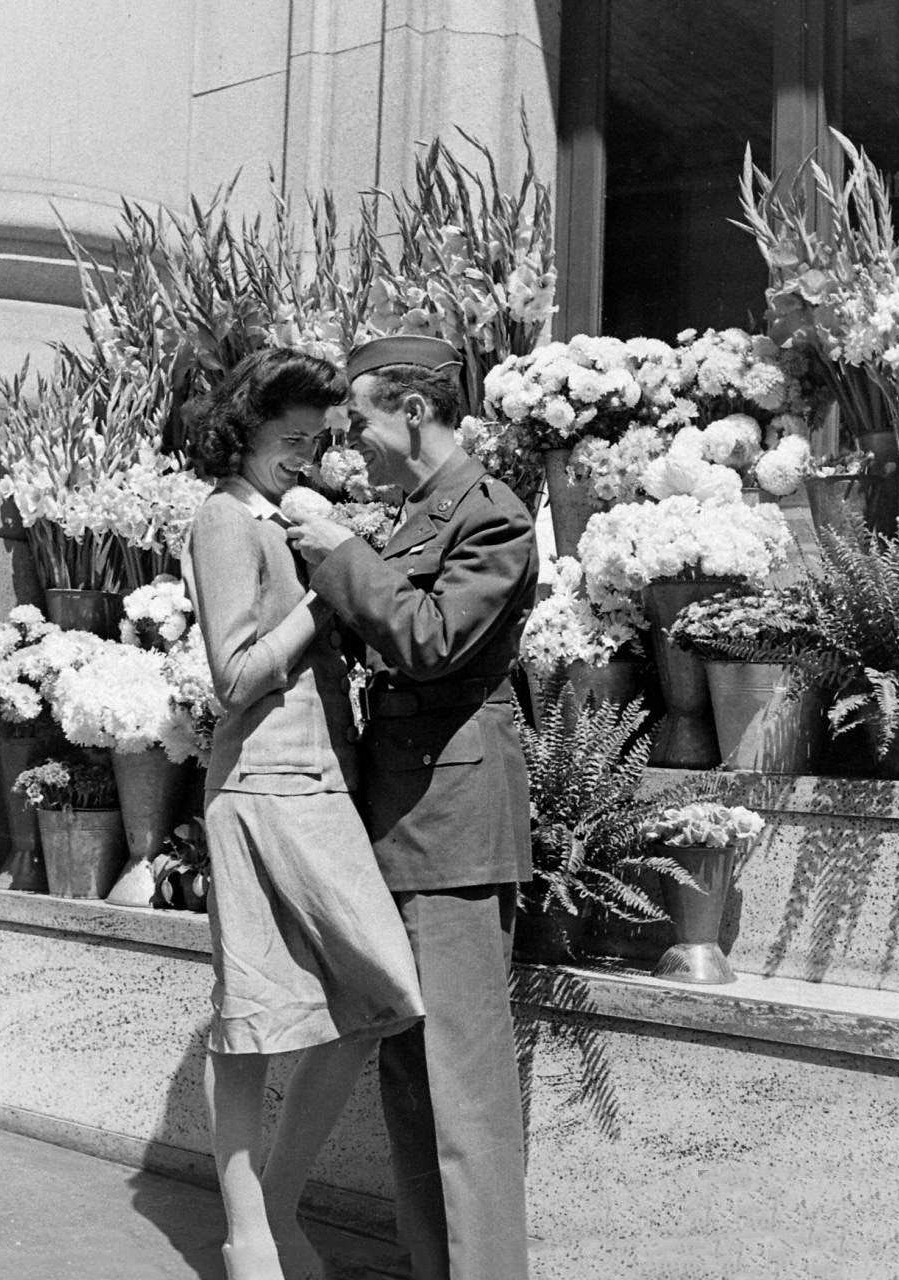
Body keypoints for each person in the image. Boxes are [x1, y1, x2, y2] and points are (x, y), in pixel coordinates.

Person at [286, 334, 538, 1280]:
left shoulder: (493, 517)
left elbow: (430, 640)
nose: (354, 446)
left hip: (456, 821)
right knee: (410, 1085)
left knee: (464, 1089)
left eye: (360, 422)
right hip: (400, 815)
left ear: (415, 411)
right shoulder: (409, 517)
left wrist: (341, 551)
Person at [181, 347, 426, 1280]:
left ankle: (275, 1212)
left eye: (319, 440)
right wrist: (327, 594)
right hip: (262, 787)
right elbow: (235, 675)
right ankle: (250, 1233)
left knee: (373, 1000)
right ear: (244, 431)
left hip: (320, 782)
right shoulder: (223, 518)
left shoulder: (287, 516)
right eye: (291, 439)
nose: (308, 456)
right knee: (253, 1018)